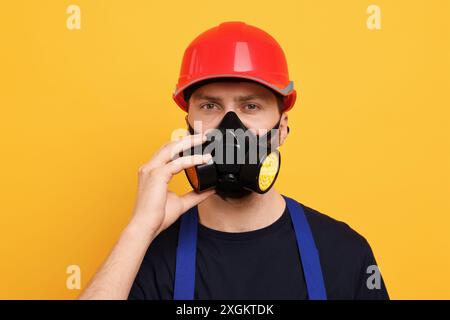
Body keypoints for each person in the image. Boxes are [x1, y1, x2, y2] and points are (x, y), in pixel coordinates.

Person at [79, 21, 389, 300]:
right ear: (188, 124)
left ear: (281, 128)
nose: (230, 125)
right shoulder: (146, 259)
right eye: (210, 105)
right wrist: (140, 228)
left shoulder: (343, 253)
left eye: (251, 106)